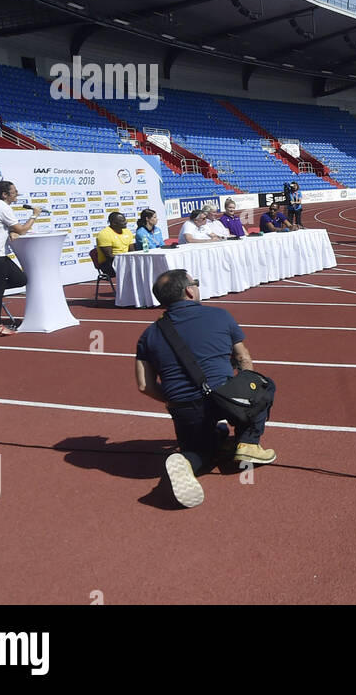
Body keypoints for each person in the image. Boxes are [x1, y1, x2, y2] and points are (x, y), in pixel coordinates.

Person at [135, 269, 276, 508]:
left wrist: (173, 400)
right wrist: (243, 391)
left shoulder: (149, 334)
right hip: (225, 398)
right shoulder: (220, 316)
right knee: (262, 385)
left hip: (185, 408)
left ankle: (187, 462)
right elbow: (244, 360)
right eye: (195, 283)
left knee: (203, 451)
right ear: (189, 291)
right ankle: (248, 442)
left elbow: (144, 385)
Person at [0, 181, 39, 337]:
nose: (17, 194)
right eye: (14, 191)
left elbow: (9, 228)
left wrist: (11, 231)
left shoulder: (0, 207)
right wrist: (35, 215)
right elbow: (22, 230)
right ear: (5, 194)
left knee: (20, 279)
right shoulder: (2, 208)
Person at [94, 211, 135, 278]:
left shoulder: (127, 231)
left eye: (125, 220)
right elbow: (109, 256)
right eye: (123, 221)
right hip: (109, 264)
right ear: (114, 223)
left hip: (125, 261)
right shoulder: (104, 234)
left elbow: (132, 251)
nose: (126, 222)